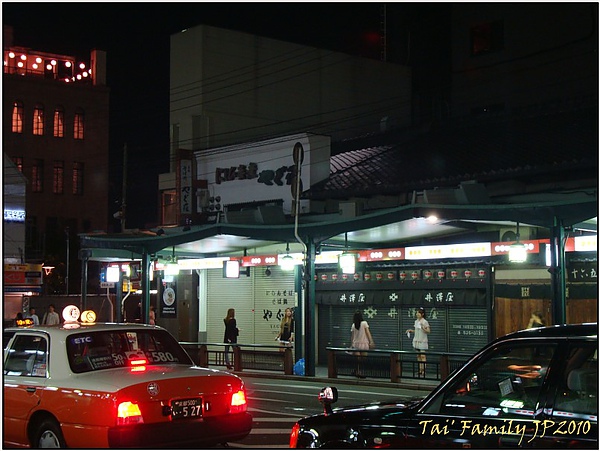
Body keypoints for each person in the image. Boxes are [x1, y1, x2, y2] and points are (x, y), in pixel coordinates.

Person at [406, 307, 430, 377]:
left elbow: (428, 331)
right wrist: (411, 331)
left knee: (423, 356)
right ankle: (420, 370)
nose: (417, 314)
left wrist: (423, 328)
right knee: (418, 356)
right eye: (417, 313)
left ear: (422, 314)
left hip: (422, 341)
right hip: (416, 340)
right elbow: (416, 330)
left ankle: (423, 371)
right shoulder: (416, 321)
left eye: (419, 313)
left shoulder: (425, 321)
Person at [350, 310, 375, 378]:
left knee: (358, 360)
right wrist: (371, 342)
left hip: (356, 344)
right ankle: (360, 372)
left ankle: (357, 371)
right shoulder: (364, 323)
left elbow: (352, 336)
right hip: (364, 344)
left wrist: (351, 344)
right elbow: (368, 333)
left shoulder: (353, 325)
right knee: (362, 360)